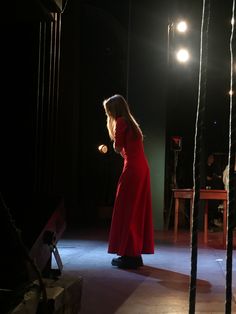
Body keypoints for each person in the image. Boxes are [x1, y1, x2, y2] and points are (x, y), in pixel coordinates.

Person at [103, 94, 154, 269]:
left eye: (108, 111)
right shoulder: (132, 123)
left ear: (113, 110)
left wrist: (113, 141)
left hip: (132, 169)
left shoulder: (121, 122)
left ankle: (129, 255)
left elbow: (117, 148)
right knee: (136, 210)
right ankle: (133, 253)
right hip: (142, 168)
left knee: (126, 209)